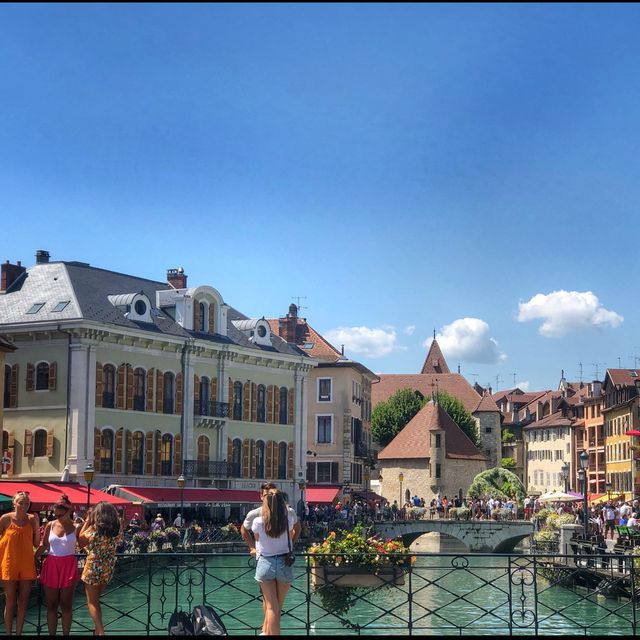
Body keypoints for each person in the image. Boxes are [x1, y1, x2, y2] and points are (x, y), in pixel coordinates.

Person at [241, 482, 300, 635]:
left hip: (265, 563)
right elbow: (295, 529)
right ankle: (266, 632)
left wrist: (253, 548)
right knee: (276, 607)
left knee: (271, 606)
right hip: (284, 562)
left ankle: (266, 632)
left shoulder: (257, 521)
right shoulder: (288, 518)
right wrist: (290, 544)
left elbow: (257, 537)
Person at [35, 494, 82, 635]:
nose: (58, 517)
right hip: (52, 565)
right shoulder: (50, 525)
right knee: (51, 605)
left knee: (66, 605)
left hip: (68, 566)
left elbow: (85, 544)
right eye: (56, 514)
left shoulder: (77, 527)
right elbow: (44, 545)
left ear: (69, 511)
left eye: (61, 515)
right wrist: (33, 558)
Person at [78, 501, 123, 636]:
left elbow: (81, 540)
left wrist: (87, 521)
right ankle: (97, 631)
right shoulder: (117, 528)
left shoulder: (95, 529)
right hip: (108, 567)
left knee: (91, 602)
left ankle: (101, 632)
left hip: (93, 567)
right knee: (96, 601)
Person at [0, 491, 40, 635]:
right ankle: (9, 633)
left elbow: (36, 543)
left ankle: (19, 633)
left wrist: (36, 525)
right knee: (10, 602)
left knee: (23, 602)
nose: (24, 505)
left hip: (26, 564)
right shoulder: (5, 519)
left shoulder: (31, 519)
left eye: (27, 503)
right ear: (14, 503)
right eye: (21, 502)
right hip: (9, 563)